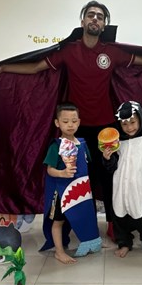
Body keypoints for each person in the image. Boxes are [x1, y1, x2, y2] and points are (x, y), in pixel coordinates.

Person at [0, 1, 142, 239]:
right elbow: (36, 68)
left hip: (106, 128)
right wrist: (4, 69)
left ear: (104, 24)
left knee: (109, 176)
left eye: (100, 16)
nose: (95, 19)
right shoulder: (68, 51)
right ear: (83, 21)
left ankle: (113, 224)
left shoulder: (112, 52)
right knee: (75, 176)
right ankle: (74, 225)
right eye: (91, 15)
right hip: (75, 129)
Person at [41, 103, 102, 264]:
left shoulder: (82, 143)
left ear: (79, 122)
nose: (70, 125)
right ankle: (59, 251)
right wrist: (62, 173)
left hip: (81, 190)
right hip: (62, 191)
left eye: (74, 121)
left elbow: (86, 164)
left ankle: (91, 241)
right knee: (58, 221)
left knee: (85, 216)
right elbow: (49, 169)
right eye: (65, 121)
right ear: (57, 123)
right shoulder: (56, 146)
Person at [102, 101, 142, 259]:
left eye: (133, 122)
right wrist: (107, 158)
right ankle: (124, 243)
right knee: (120, 217)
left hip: (139, 189)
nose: (129, 128)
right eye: (124, 124)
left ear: (140, 119)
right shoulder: (117, 143)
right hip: (120, 189)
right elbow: (111, 167)